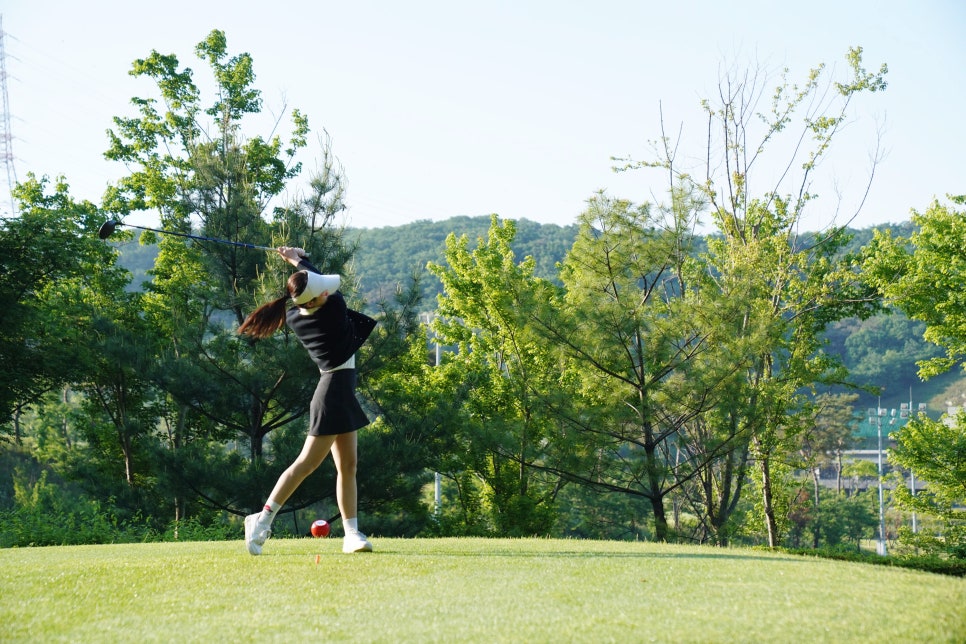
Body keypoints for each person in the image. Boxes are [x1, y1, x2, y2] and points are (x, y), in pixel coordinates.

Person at [237, 246, 377, 555]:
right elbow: (313, 275)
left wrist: (293, 259)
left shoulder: (296, 314)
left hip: (339, 391)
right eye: (320, 291)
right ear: (314, 301)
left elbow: (308, 280)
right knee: (306, 464)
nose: (328, 291)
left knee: (348, 465)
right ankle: (262, 520)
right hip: (331, 395)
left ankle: (352, 534)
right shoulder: (333, 309)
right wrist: (297, 258)